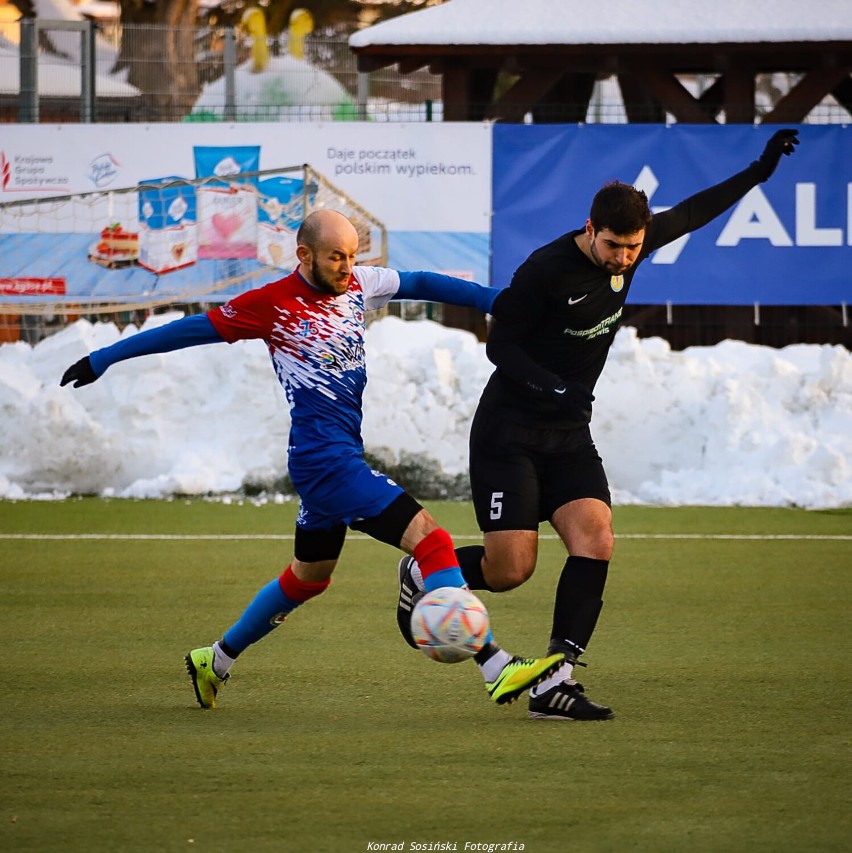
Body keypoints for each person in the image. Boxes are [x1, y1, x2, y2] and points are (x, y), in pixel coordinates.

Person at [60, 209, 564, 710]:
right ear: (304, 255)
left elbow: (423, 281)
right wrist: (104, 358)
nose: (348, 267)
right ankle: (495, 666)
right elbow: (191, 329)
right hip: (326, 464)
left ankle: (214, 660)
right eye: (336, 257)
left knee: (309, 577)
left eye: (352, 256)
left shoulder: (359, 284)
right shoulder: (271, 304)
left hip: (334, 458)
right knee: (431, 539)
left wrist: (502, 301)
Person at [397, 128, 801, 721]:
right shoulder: (543, 272)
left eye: (633, 247)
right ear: (591, 230)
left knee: (596, 539)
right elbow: (500, 347)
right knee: (512, 571)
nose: (623, 258)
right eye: (613, 246)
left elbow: (692, 211)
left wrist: (758, 171)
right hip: (509, 430)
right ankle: (420, 566)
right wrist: (554, 387)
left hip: (566, 434)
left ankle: (555, 680)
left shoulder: (636, 244)